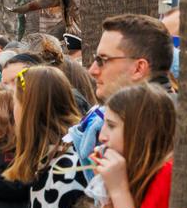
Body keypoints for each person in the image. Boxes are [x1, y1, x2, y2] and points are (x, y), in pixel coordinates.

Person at [3, 66, 85, 208]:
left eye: (16, 101)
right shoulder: (47, 163)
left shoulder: (65, 170)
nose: (13, 109)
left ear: (30, 109)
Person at [66, 14, 175, 168]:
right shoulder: (146, 120)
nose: (92, 70)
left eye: (103, 60)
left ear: (138, 68)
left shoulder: (166, 131)